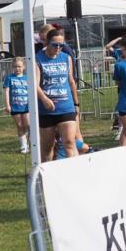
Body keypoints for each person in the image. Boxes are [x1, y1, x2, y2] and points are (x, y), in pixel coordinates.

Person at [34, 28, 79, 161]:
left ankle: (72, 174)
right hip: (47, 110)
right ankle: (45, 175)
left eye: (62, 45)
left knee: (69, 143)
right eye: (55, 45)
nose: (59, 48)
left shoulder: (66, 58)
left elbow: (71, 81)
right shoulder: (38, 59)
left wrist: (76, 103)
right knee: (48, 148)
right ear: (47, 43)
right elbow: (34, 85)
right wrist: (44, 99)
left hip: (66, 106)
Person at [2, 57, 30, 153]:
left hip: (27, 106)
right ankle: (23, 146)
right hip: (15, 106)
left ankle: (29, 142)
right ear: (12, 67)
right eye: (15, 66)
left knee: (28, 124)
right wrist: (7, 105)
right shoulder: (9, 78)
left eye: (19, 66)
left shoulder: (27, 78)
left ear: (24, 67)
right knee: (19, 125)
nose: (17, 68)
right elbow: (6, 91)